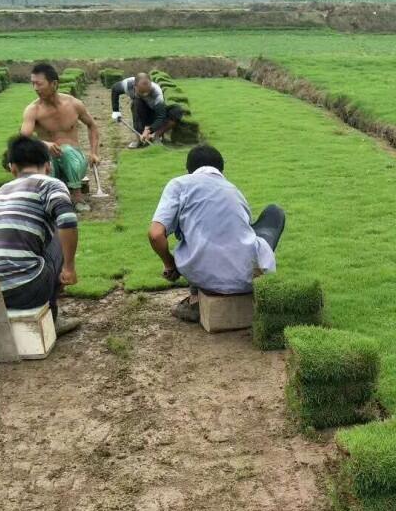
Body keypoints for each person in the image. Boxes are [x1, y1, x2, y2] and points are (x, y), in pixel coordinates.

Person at [148, 144, 285, 323]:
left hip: (201, 274)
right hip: (246, 279)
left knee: (197, 234)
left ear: (189, 170)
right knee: (272, 214)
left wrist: (169, 264)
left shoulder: (179, 184)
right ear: (221, 170)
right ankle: (199, 298)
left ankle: (195, 300)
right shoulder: (233, 190)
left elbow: (156, 234)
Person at [0, 135, 81, 335]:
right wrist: (69, 267)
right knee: (61, 233)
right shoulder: (51, 184)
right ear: (48, 165)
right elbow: (67, 220)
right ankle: (52, 319)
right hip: (27, 289)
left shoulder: (1, 191)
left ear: (12, 168)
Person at [20, 62, 100, 213]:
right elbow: (24, 138)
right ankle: (50, 199)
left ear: (54, 84)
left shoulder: (73, 104)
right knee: (46, 158)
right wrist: (44, 144)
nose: (35, 88)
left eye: (39, 84)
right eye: (33, 84)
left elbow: (93, 126)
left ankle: (77, 196)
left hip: (74, 159)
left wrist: (94, 152)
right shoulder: (33, 110)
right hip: (48, 160)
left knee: (67, 152)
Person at [110, 72, 184, 148]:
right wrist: (116, 111)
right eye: (142, 92)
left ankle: (156, 136)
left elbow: (161, 116)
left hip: (154, 113)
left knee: (176, 111)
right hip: (140, 111)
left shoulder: (157, 92)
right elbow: (115, 89)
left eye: (148, 91)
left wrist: (149, 130)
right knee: (137, 102)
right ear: (135, 86)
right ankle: (138, 139)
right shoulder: (127, 84)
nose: (145, 94)